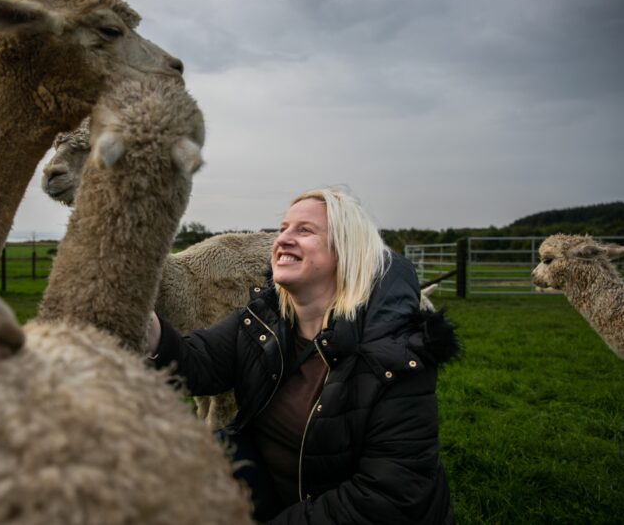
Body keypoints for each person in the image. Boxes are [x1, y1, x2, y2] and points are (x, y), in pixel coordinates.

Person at [146, 188, 458, 524]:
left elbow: (386, 499)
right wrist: (144, 324)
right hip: (271, 486)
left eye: (304, 230)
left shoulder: (394, 356)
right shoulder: (266, 319)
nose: (281, 239)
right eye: (283, 228)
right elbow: (198, 361)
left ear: (347, 252)